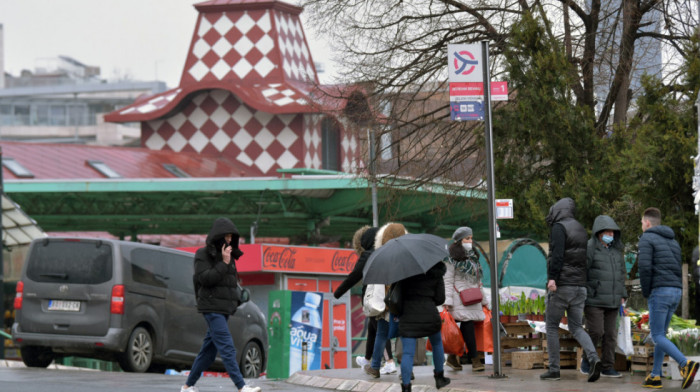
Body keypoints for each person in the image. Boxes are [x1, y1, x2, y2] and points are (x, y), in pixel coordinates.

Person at [181, 217, 261, 392]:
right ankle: (241, 386)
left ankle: (187, 386)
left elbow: (229, 284)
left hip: (223, 309)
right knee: (227, 347)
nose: (229, 240)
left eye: (231, 237)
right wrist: (224, 263)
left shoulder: (228, 255)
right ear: (217, 236)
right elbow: (206, 279)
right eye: (226, 236)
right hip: (211, 308)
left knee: (208, 353)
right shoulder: (202, 254)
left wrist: (236, 300)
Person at [540, 197, 602, 382]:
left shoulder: (559, 227)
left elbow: (557, 255)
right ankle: (593, 358)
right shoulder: (581, 228)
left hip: (562, 286)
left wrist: (553, 278)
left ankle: (554, 369)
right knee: (576, 327)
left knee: (551, 326)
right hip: (579, 287)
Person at [638, 207, 699, 389]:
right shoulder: (673, 241)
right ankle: (655, 376)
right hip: (676, 291)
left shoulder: (647, 238)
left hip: (660, 291)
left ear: (647, 223)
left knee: (657, 335)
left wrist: (647, 291)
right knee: (661, 335)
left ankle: (685, 364)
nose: (641, 226)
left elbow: (645, 268)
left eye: (642, 222)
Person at [333, 226, 396, 374]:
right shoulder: (385, 253)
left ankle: (390, 362)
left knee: (380, 328)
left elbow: (354, 276)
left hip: (373, 298)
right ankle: (367, 360)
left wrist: (337, 293)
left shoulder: (368, 255)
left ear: (367, 241)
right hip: (386, 295)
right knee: (373, 327)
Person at [580, 215, 627, 378]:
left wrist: (623, 294)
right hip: (594, 299)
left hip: (613, 300)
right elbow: (582, 271)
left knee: (610, 335)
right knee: (596, 331)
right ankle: (588, 360)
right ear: (599, 233)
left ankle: (608, 366)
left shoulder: (616, 251)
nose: (611, 235)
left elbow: (621, 274)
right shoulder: (590, 248)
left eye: (613, 232)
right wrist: (586, 291)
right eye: (607, 232)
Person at [397, 252, 450, 391]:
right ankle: (439, 378)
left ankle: (407, 387)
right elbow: (440, 299)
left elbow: (398, 297)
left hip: (408, 316)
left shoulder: (405, 272)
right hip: (429, 315)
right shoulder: (436, 272)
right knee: (437, 343)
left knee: (408, 353)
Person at [363, 223, 407, 379]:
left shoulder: (381, 256)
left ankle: (375, 367)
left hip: (387, 305)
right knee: (405, 336)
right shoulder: (406, 256)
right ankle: (407, 370)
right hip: (403, 305)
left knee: (381, 334)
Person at [443, 226, 487, 372]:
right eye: (467, 238)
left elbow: (478, 280)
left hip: (472, 297)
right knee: (464, 327)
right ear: (459, 240)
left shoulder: (473, 256)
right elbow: (447, 280)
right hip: (458, 298)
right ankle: (474, 360)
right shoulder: (451, 258)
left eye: (471, 238)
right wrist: (447, 302)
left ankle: (452, 358)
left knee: (464, 329)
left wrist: (485, 300)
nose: (470, 241)